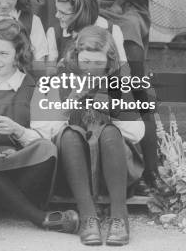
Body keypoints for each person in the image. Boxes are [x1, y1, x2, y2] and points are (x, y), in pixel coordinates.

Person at [82, 0, 170, 196]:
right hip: (100, 11)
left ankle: (151, 170)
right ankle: (93, 169)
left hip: (131, 13)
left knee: (137, 84)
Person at [0, 19, 78, 234]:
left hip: (21, 165)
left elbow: (45, 138)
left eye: (3, 54)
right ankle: (40, 218)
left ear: (19, 53)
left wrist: (19, 130)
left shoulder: (35, 88)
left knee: (47, 149)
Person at [40, 26, 145, 245]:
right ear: (76, 57)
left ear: (109, 62)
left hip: (112, 169)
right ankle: (88, 216)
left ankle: (119, 216)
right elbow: (42, 129)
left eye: (98, 63)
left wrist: (111, 110)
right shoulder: (61, 79)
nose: (91, 69)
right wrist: (68, 106)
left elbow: (137, 132)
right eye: (85, 62)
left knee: (107, 131)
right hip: (75, 170)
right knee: (69, 134)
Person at [46, 0, 127, 62]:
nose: (57, 15)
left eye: (63, 13)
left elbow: (122, 68)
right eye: (57, 10)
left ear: (81, 14)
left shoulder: (112, 31)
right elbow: (50, 71)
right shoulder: (54, 33)